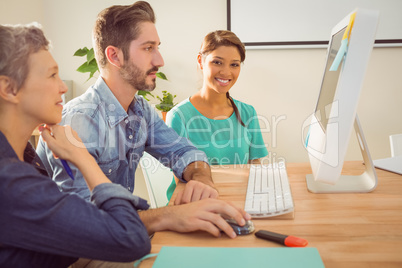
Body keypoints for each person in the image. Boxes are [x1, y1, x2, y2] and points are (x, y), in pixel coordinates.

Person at [36, 0, 250, 242]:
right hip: (76, 251)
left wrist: (201, 179)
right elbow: (83, 225)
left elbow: (183, 151)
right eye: (148, 48)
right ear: (114, 56)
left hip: (117, 235)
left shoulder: (139, 110)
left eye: (157, 48)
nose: (160, 60)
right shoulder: (81, 122)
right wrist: (170, 216)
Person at [0, 23, 152, 268]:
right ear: (9, 88)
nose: (63, 87)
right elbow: (129, 237)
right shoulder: (10, 182)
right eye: (52, 75)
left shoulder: (25, 159)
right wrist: (83, 158)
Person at [165, 30, 268, 199]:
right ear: (201, 61)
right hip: (196, 206)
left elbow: (254, 166)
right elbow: (181, 184)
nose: (226, 72)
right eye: (217, 62)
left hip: (239, 201)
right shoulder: (179, 116)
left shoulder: (248, 113)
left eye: (234, 64)